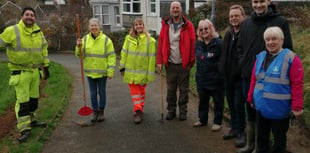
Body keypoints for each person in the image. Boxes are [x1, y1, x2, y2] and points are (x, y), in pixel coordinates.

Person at [237, 0, 293, 152]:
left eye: (262, 1)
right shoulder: (247, 23)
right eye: (255, 2)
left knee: (269, 116)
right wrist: (243, 63)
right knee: (251, 111)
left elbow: (288, 50)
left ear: (268, 1)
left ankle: (266, 146)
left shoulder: (280, 21)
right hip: (249, 78)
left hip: (272, 83)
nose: (258, 5)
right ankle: (252, 145)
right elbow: (240, 47)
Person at [247, 26, 303, 153]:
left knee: (279, 142)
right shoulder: (260, 57)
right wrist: (250, 98)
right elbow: (254, 80)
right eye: (267, 39)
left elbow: (297, 84)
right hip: (261, 107)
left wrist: (297, 107)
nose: (270, 42)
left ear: (282, 40)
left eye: (274, 39)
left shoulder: (291, 58)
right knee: (261, 140)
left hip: (280, 110)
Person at [0, 7, 50, 143]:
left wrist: (46, 66)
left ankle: (32, 121)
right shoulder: (12, 30)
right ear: (22, 16)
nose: (30, 17)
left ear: (35, 18)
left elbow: (44, 49)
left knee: (33, 101)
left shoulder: (38, 32)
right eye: (27, 15)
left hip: (35, 73)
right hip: (20, 73)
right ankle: (24, 129)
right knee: (23, 103)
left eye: (32, 15)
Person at [156, 0, 196, 121]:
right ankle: (171, 110)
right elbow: (161, 43)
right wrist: (159, 61)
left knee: (184, 89)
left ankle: (183, 111)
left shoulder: (188, 25)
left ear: (181, 9)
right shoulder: (165, 25)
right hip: (170, 63)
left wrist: (191, 62)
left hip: (184, 64)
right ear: (170, 10)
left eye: (177, 8)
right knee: (171, 89)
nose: (175, 10)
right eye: (173, 8)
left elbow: (193, 43)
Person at [75, 18, 116, 123]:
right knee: (93, 93)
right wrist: (78, 46)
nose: (94, 27)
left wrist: (110, 71)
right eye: (92, 26)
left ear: (99, 27)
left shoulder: (106, 40)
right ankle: (95, 111)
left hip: (102, 72)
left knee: (102, 92)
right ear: (89, 27)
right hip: (90, 72)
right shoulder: (84, 40)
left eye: (95, 25)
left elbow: (111, 56)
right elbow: (80, 56)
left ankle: (101, 111)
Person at [119, 18, 156, 124]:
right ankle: (138, 110)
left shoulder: (150, 41)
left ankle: (140, 106)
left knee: (141, 91)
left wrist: (150, 75)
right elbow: (124, 53)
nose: (139, 26)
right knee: (135, 92)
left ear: (143, 26)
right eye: (136, 25)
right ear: (133, 27)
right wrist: (122, 67)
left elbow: (151, 58)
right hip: (130, 71)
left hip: (143, 72)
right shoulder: (128, 39)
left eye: (140, 24)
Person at [218, 5, 246, 147]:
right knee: (231, 104)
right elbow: (224, 54)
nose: (233, 18)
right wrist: (222, 69)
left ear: (243, 17)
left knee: (238, 104)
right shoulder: (229, 33)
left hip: (240, 77)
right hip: (227, 77)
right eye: (231, 16)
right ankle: (234, 127)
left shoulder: (246, 33)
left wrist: (240, 71)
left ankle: (241, 132)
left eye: (236, 15)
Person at [192, 19, 224, 131]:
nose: (204, 31)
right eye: (201, 29)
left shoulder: (218, 43)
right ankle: (202, 119)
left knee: (218, 101)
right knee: (203, 101)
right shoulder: (198, 44)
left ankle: (217, 122)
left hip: (216, 79)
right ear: (198, 31)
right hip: (202, 78)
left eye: (206, 28)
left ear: (211, 29)